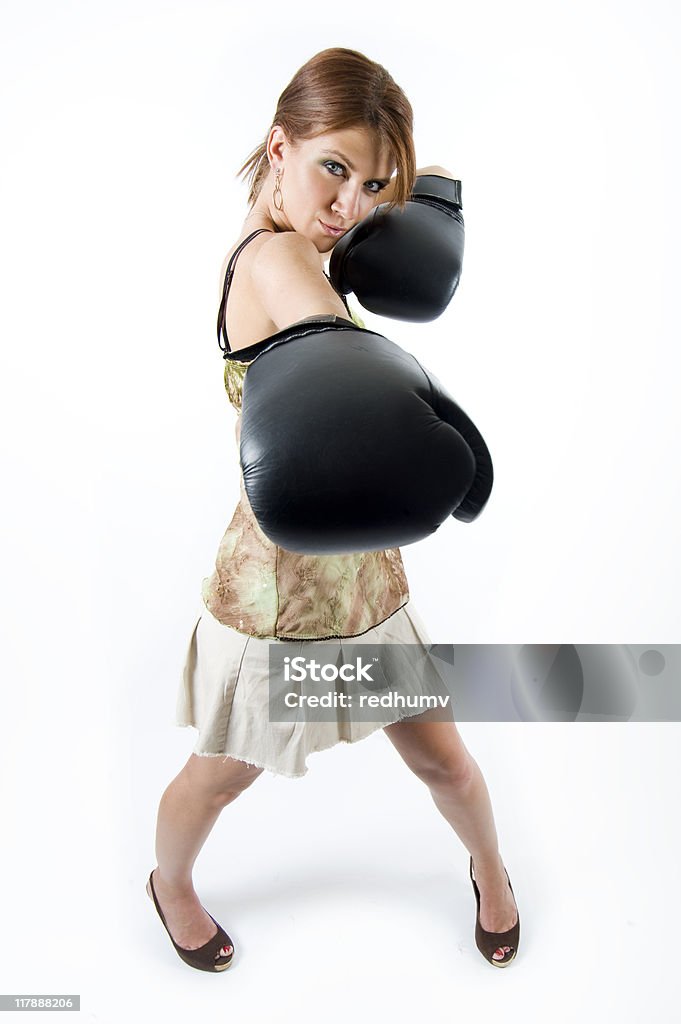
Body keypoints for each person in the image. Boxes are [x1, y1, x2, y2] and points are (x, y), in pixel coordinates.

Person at [146, 47, 520, 972]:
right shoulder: (276, 260)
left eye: (372, 184)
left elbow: (375, 201)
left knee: (443, 761)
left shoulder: (307, 237)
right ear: (279, 144)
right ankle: (170, 885)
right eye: (333, 169)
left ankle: (492, 870)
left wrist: (413, 180)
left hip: (363, 578)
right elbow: (330, 351)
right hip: (278, 599)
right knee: (218, 777)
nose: (349, 206)